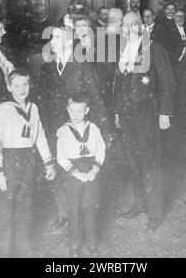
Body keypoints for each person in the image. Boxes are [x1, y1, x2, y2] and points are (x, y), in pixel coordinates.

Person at [38, 26, 110, 230]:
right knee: (59, 169)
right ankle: (64, 213)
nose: (52, 42)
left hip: (79, 131)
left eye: (57, 38)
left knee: (82, 172)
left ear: (69, 42)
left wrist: (104, 130)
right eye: (51, 38)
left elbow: (96, 99)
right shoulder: (47, 68)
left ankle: (82, 215)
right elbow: (42, 101)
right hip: (55, 129)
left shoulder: (82, 66)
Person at [114, 12, 175, 231]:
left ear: (141, 26)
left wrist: (165, 113)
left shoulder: (154, 48)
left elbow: (167, 81)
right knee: (133, 161)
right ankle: (140, 204)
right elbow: (118, 83)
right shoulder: (120, 49)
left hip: (147, 114)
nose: (129, 27)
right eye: (126, 24)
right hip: (127, 115)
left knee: (150, 162)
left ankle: (155, 212)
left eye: (134, 24)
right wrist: (117, 112)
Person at [0, 68, 56, 258]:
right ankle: (2, 252)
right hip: (9, 160)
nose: (21, 89)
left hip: (28, 159)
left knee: (25, 205)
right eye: (17, 85)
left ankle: (23, 250)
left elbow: (40, 137)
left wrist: (48, 163)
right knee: (6, 207)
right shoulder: (2, 110)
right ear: (9, 87)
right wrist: (0, 172)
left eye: (25, 84)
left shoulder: (33, 108)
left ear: (30, 85)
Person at [56, 95, 106, 258]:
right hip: (73, 174)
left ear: (87, 110)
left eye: (80, 111)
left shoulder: (94, 128)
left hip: (91, 171)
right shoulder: (63, 131)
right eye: (73, 111)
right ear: (67, 110)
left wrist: (94, 170)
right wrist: (76, 173)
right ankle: (74, 246)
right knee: (74, 208)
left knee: (90, 207)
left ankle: (92, 244)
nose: (76, 114)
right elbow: (61, 157)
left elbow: (101, 150)